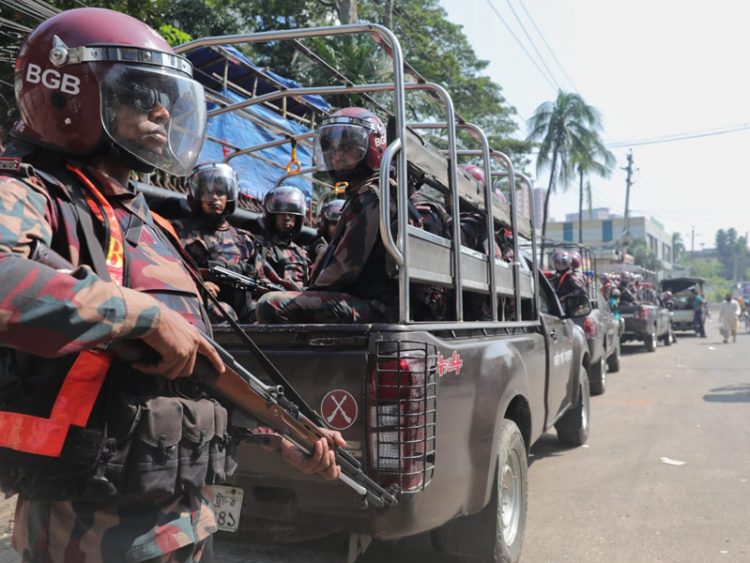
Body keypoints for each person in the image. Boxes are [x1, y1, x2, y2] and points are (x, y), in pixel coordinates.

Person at [0, 9, 343, 562]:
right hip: (87, 529)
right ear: (69, 93)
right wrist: (144, 316)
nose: (162, 110)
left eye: (165, 96)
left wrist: (275, 437)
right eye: (140, 94)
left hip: (181, 523)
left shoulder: (149, 224)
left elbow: (184, 376)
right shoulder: (33, 193)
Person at [257, 107, 398, 323]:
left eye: (347, 147)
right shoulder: (378, 190)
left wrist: (308, 292)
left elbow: (345, 268)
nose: (337, 156)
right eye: (331, 149)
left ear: (372, 146)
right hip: (373, 301)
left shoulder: (372, 195)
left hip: (376, 306)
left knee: (271, 304)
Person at [177, 162, 258, 322]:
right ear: (196, 196)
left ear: (228, 197)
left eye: (220, 192)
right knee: (224, 312)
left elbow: (259, 278)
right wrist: (200, 285)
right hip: (201, 301)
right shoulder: (182, 234)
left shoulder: (244, 239)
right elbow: (171, 272)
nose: (214, 197)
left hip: (243, 304)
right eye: (207, 192)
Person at [255, 185, 310, 291]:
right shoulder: (260, 248)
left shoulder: (302, 253)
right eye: (281, 213)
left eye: (291, 214)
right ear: (272, 216)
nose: (287, 218)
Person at [307, 197, 345, 264]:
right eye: (334, 223)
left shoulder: (352, 247)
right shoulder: (316, 246)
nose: (338, 228)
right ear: (325, 224)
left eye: (342, 225)